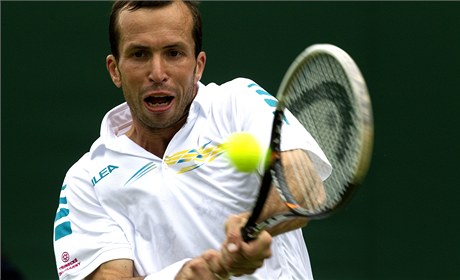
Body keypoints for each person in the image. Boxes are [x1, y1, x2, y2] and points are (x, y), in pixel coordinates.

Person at [52, 1, 332, 279]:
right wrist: (181, 276)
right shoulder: (87, 179)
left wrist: (254, 224)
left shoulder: (238, 103)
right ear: (115, 69)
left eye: (174, 53)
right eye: (139, 54)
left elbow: (304, 187)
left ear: (198, 66)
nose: (158, 73)